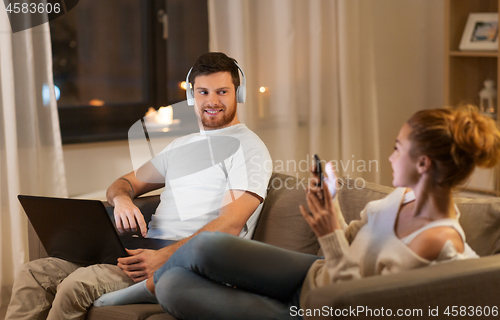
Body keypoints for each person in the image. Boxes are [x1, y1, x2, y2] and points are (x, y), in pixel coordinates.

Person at [95, 105, 500, 319]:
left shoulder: (439, 241)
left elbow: (353, 301)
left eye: (398, 147)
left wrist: (327, 233)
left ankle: (146, 288)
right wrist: (331, 212)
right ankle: (135, 291)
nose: (391, 156)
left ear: (424, 163)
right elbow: (355, 240)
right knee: (208, 248)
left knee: (172, 288)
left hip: (313, 310)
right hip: (311, 272)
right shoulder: (402, 198)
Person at [5, 52, 272, 320]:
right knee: (34, 274)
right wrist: (122, 200)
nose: (212, 101)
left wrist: (164, 257)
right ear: (192, 97)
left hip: (185, 263)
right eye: (203, 92)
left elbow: (230, 225)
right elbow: (122, 184)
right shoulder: (181, 146)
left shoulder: (249, 149)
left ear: (238, 93)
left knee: (75, 286)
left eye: (222, 92)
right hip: (142, 249)